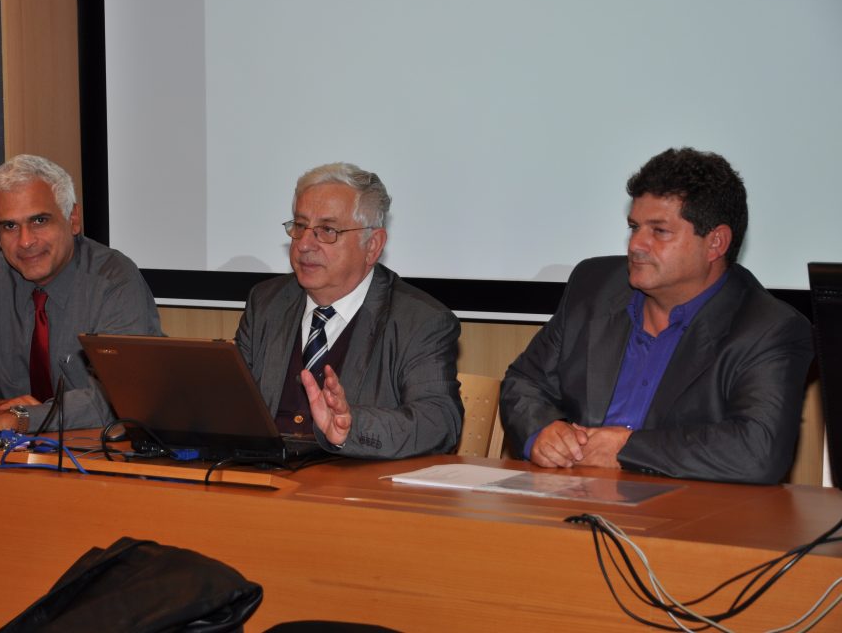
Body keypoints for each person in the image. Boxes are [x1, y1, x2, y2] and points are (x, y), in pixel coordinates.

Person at [500, 147, 812, 484]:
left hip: (687, 517)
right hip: (572, 498)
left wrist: (625, 449)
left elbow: (758, 451)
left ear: (716, 243)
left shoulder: (768, 329)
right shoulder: (594, 287)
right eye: (634, 227)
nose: (636, 244)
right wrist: (542, 431)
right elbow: (525, 382)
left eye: (659, 231)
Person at [0, 154, 162, 433]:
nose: (26, 241)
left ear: (73, 219)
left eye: (40, 221)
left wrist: (17, 418)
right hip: (1, 464)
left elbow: (121, 397)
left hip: (95, 464)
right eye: (10, 226)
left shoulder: (114, 280)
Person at [235, 162, 463, 458]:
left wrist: (350, 426)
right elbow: (231, 404)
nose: (304, 244)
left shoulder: (420, 321)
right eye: (300, 226)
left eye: (327, 230)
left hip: (356, 493)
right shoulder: (266, 303)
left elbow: (439, 423)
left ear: (373, 245)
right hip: (262, 487)